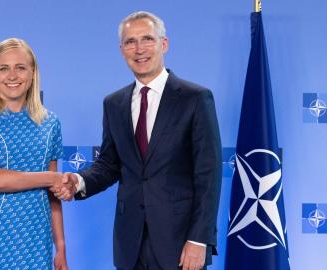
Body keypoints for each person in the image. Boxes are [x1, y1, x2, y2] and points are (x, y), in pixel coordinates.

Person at [54, 11, 222, 270]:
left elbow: (208, 175)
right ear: (122, 50)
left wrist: (199, 239)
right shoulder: (114, 104)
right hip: (129, 242)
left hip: (179, 242)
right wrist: (79, 182)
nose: (139, 49)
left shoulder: (195, 98)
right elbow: (109, 165)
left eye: (147, 39)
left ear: (163, 44)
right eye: (130, 41)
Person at [0, 38, 68, 270]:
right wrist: (50, 178)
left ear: (33, 72)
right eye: (4, 68)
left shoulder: (51, 123)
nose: (12, 76)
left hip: (36, 237)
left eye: (20, 67)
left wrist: (61, 247)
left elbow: (53, 195)